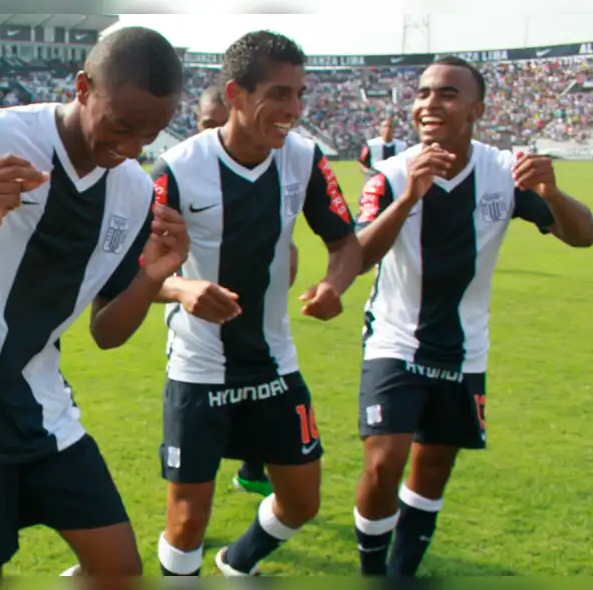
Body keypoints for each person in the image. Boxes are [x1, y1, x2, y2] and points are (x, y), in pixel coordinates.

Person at [0, 26, 189, 578]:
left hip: (45, 413)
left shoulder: (136, 191)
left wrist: (154, 278)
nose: (133, 147)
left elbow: (107, 331)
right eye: (123, 125)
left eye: (152, 132)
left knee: (119, 571)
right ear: (82, 87)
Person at [352, 55, 593, 578]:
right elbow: (353, 255)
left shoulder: (504, 173)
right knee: (383, 459)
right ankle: (371, 570)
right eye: (422, 93)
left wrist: (552, 193)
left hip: (464, 347)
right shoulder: (391, 175)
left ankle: (402, 574)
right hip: (395, 338)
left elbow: (584, 234)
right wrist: (408, 198)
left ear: (476, 110)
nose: (429, 104)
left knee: (433, 465)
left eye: (446, 94)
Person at [149, 30, 363, 577]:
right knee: (188, 518)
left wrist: (335, 284)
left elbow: (345, 242)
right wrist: (181, 289)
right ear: (237, 94)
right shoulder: (176, 168)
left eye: (299, 94)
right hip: (200, 367)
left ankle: (237, 562)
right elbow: (121, 272)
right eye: (279, 94)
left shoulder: (306, 159)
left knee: (302, 502)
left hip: (274, 363)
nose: (292, 109)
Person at [194, 83, 300, 499]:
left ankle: (252, 468)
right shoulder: (183, 171)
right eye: (208, 125)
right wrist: (180, 286)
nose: (218, 134)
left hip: (264, 335)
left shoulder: (281, 165)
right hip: (199, 347)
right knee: (189, 497)